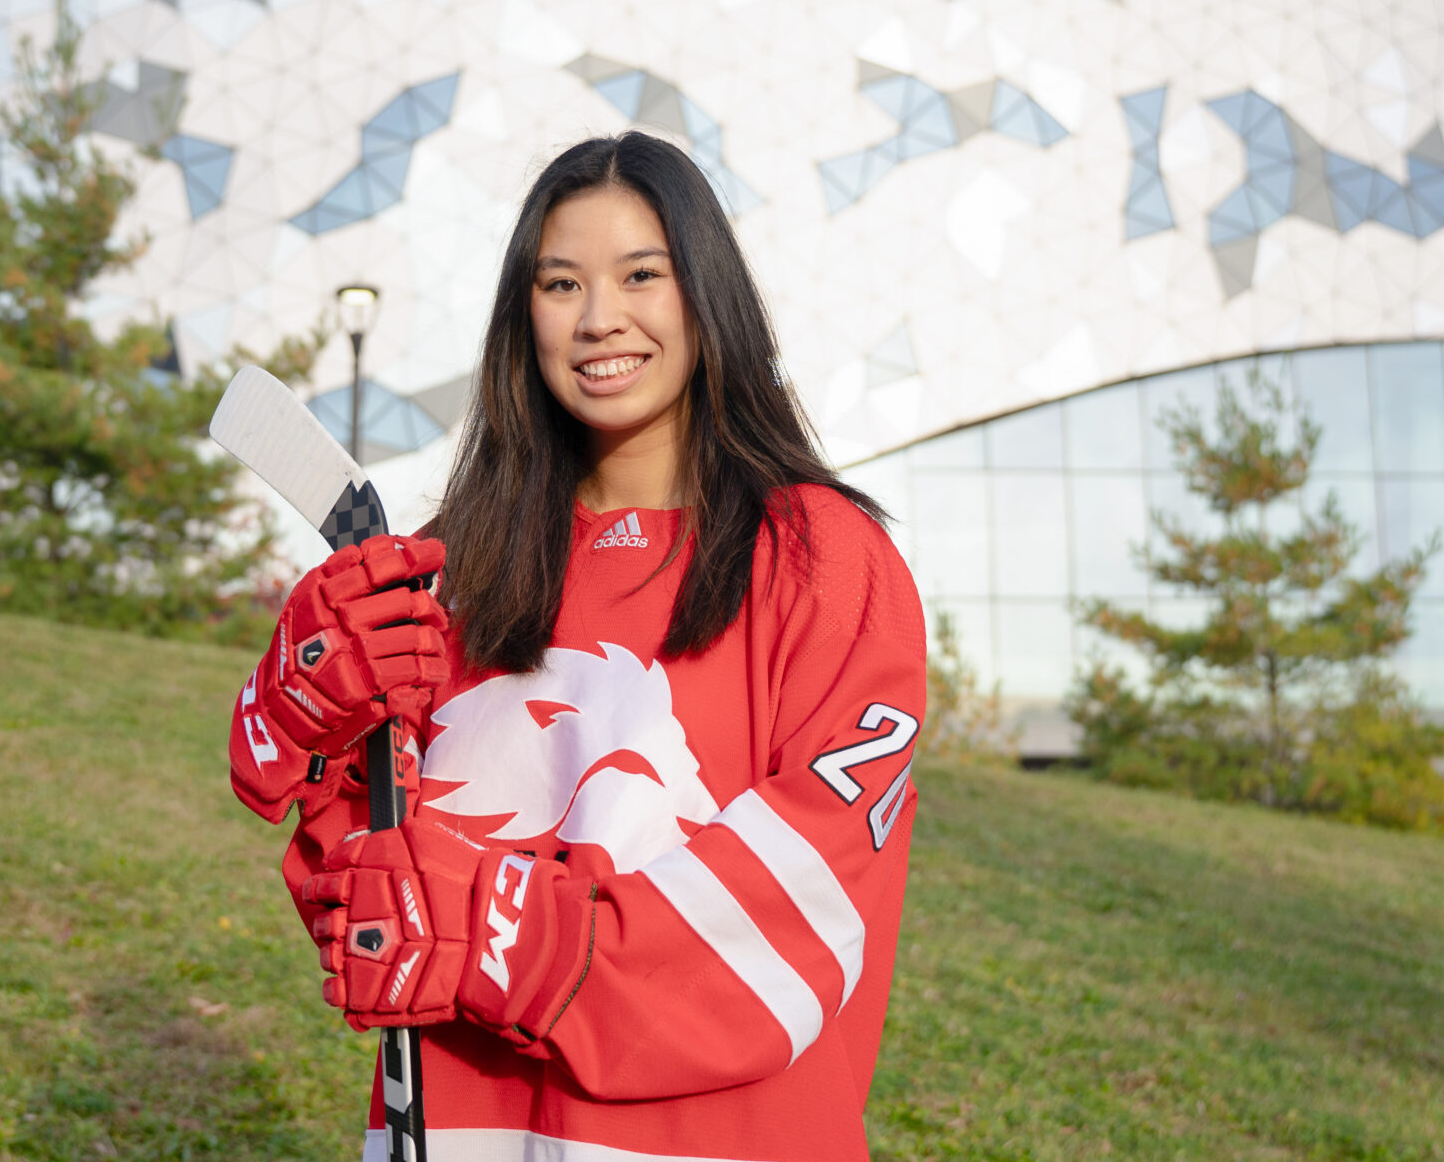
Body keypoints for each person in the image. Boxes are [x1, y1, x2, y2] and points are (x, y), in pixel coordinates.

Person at [230, 131, 928, 1161]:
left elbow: (811, 898)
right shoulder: (449, 574)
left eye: (641, 274)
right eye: (560, 284)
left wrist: (503, 935)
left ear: (706, 295)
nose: (600, 318)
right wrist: (315, 731)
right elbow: (372, 907)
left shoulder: (823, 556)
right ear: (524, 316)